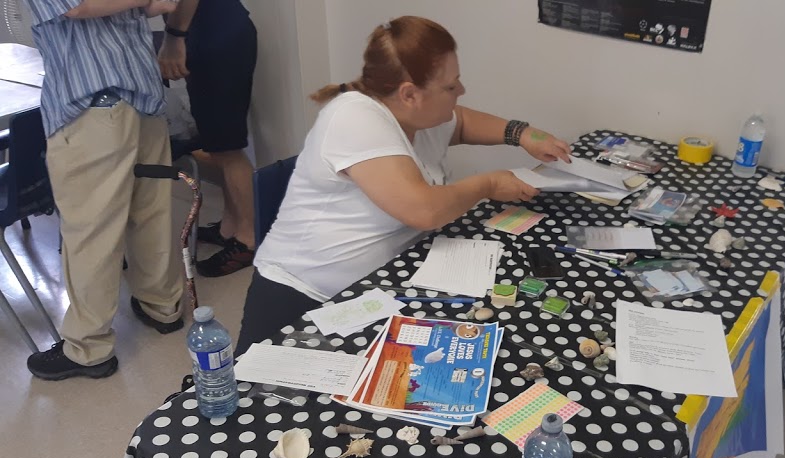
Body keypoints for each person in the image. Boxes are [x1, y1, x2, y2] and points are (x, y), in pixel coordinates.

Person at [236, 16, 571, 354]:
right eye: (451, 87)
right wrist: (488, 183)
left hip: (380, 287)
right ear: (409, 93)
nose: (461, 92)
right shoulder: (354, 118)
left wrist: (522, 134)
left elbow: (462, 122)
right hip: (306, 296)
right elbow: (424, 211)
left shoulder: (418, 113)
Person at [24, 0, 185, 380]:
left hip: (94, 109)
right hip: (142, 97)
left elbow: (78, 7)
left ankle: (87, 348)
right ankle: (162, 305)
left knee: (92, 230)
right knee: (151, 213)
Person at [157, 0, 259, 277]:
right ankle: (230, 227)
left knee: (228, 147)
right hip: (210, 34)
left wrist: (173, 38)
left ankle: (249, 240)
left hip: (215, 36)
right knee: (218, 144)